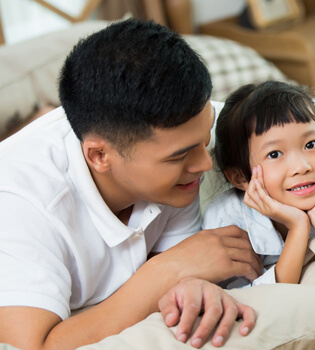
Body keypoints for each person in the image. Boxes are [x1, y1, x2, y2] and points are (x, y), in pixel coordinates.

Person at [0, 19, 263, 350]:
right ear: (99, 156)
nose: (205, 163)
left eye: (205, 136)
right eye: (179, 156)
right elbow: (32, 346)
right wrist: (166, 271)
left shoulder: (175, 151)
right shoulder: (21, 204)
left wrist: (189, 279)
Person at [203, 81, 315, 288]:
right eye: (274, 154)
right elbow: (251, 296)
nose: (301, 167)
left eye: (310, 144)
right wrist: (298, 227)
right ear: (240, 177)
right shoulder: (227, 220)